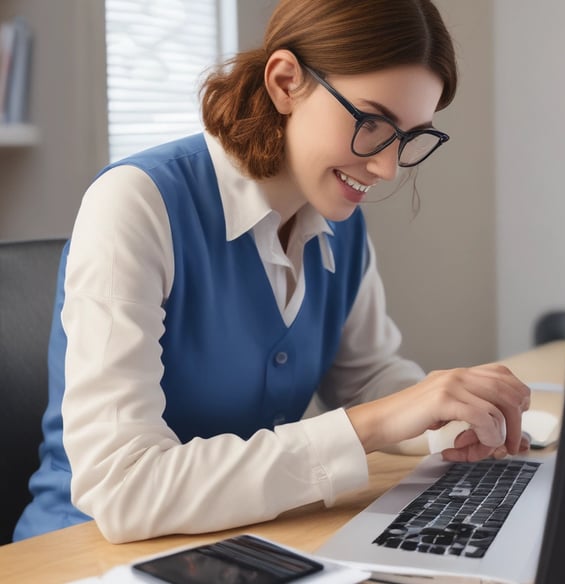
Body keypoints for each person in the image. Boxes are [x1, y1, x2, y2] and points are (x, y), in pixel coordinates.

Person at [14, 0, 531, 544]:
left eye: (407, 137)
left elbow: (370, 379)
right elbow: (124, 487)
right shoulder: (136, 205)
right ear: (286, 82)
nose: (385, 167)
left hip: (240, 545)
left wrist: (455, 415)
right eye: (373, 123)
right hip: (83, 554)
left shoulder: (340, 219)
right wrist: (377, 423)